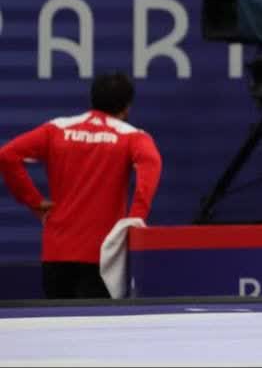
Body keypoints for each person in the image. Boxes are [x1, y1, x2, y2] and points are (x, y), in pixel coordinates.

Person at [0, 71, 162, 299]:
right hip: (103, 257)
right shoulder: (133, 137)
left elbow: (7, 156)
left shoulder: (57, 128)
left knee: (59, 322)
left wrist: (34, 202)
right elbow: (152, 164)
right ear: (127, 107)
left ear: (92, 98)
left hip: (56, 255)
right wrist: (135, 218)